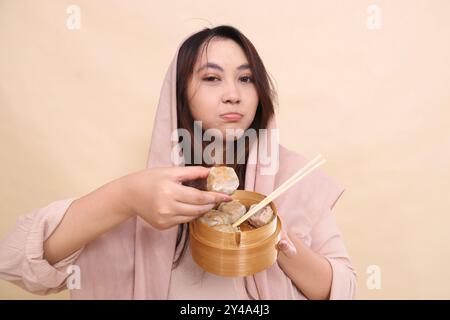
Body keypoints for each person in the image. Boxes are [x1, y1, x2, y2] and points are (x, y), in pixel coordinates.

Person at [0, 25, 356, 299]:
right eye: (212, 78)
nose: (233, 94)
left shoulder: (294, 180)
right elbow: (16, 262)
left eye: (246, 79)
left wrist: (275, 237)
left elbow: (342, 289)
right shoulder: (150, 195)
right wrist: (125, 197)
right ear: (180, 94)